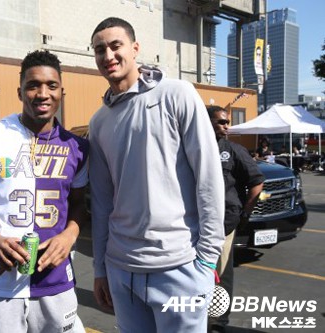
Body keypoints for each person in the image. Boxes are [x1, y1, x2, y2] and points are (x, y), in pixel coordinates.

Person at [89, 17, 225, 333]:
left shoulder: (177, 94)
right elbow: (101, 202)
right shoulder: (98, 123)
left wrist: (206, 261)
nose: (108, 56)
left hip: (179, 267)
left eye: (115, 45)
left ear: (135, 48)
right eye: (99, 50)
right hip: (121, 270)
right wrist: (100, 268)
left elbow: (209, 178)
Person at [0, 50, 89, 333]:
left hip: (55, 281)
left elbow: (78, 204)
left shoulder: (77, 147)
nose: (42, 93)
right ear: (20, 92)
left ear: (62, 91)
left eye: (51, 86)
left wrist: (69, 235)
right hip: (0, 280)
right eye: (33, 85)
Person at [206, 106, 265, 333]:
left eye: (227, 121)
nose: (227, 126)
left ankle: (218, 323)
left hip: (224, 225)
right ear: (207, 122)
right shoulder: (192, 147)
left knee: (220, 275)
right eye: (221, 122)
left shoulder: (233, 150)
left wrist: (245, 213)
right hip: (195, 226)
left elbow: (257, 182)